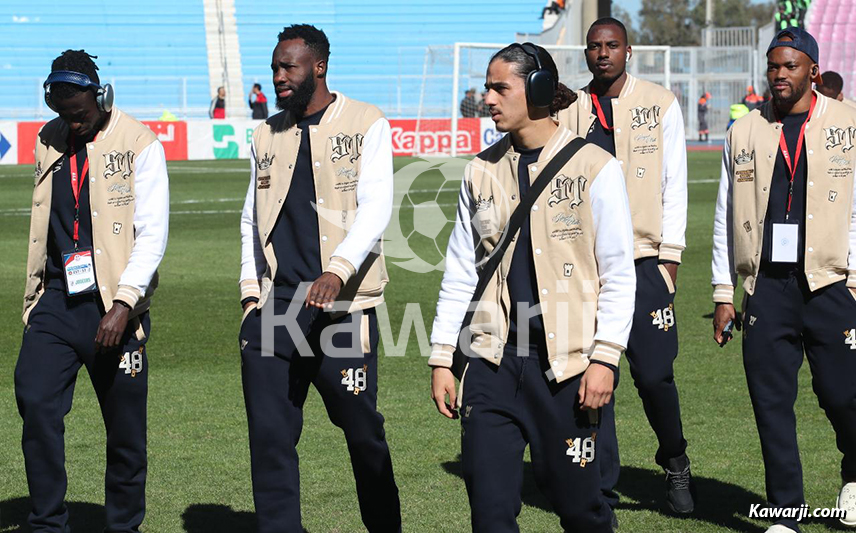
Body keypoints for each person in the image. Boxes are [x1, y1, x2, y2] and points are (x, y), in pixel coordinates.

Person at [430, 42, 636, 533]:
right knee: (490, 512)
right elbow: (461, 269)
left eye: (500, 87)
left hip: (566, 370)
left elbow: (618, 273)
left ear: (539, 89)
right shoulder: (479, 170)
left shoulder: (594, 166)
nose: (488, 98)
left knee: (581, 510)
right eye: (487, 88)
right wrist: (442, 356)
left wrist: (605, 358)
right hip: (492, 365)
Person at [238, 24, 401, 533]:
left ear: (319, 66)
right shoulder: (266, 132)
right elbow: (250, 218)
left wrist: (338, 270)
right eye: (274, 68)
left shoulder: (366, 121)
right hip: (275, 306)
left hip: (344, 308)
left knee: (362, 432)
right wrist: (249, 295)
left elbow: (377, 206)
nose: (279, 76)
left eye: (289, 67)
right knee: (270, 436)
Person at [15, 49, 169, 533]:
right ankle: (46, 523)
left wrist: (124, 303)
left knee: (125, 436)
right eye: (61, 113)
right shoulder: (49, 138)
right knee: (35, 402)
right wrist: (38, 296)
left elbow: (153, 233)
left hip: (114, 308)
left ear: (102, 96)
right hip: (56, 302)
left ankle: (123, 526)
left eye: (78, 114)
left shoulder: (140, 143)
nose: (70, 124)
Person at [712, 27, 856, 533]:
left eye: (790, 66)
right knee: (770, 401)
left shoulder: (848, 122)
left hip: (832, 284)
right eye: (773, 66)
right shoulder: (744, 130)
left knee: (844, 395)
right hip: (767, 287)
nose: (779, 75)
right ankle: (786, 512)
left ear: (812, 71)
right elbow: (725, 214)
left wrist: (855, 279)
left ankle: (855, 471)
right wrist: (724, 291)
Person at [556, 17, 693, 515]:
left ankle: (674, 459)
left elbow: (673, 182)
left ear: (628, 50)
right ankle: (602, 487)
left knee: (655, 375)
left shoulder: (659, 102)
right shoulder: (568, 107)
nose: (603, 54)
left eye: (612, 45)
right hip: (586, 266)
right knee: (595, 376)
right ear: (586, 52)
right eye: (594, 46)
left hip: (643, 261)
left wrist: (669, 259)